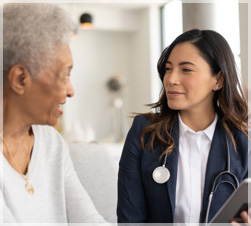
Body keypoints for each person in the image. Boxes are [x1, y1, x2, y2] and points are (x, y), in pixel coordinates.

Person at [117, 29, 250, 224]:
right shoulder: (144, 132)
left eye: (186, 69)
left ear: (218, 80)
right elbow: (130, 219)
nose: (171, 79)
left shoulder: (242, 141)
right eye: (168, 69)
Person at [1, 3, 108, 223]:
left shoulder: (51, 143)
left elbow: (88, 219)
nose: (71, 91)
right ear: (20, 79)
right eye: (64, 76)